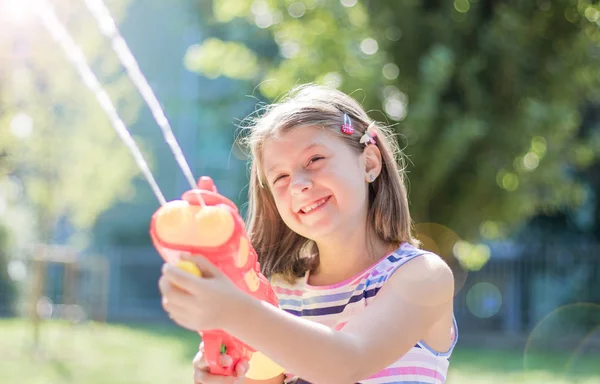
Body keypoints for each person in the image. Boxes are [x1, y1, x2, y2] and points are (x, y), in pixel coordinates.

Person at [158, 84, 458, 384]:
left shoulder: (424, 276)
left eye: (314, 160)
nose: (298, 184)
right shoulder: (279, 296)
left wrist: (236, 312)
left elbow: (347, 361)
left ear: (369, 162)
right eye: (281, 177)